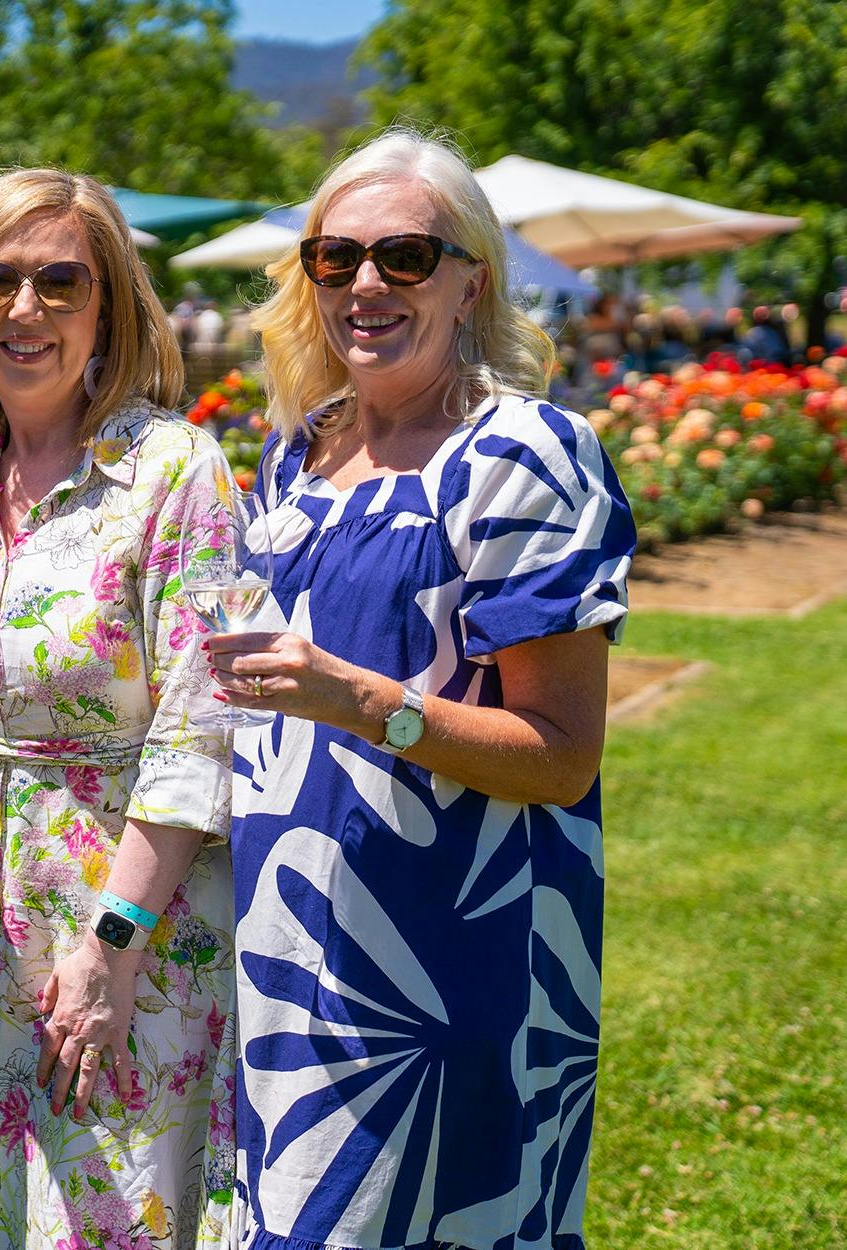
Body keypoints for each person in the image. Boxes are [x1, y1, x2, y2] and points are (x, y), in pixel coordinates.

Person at [211, 127, 636, 1249]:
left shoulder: (523, 453)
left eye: (405, 255)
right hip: (290, 935)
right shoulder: (296, 454)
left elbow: (559, 753)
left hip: (448, 964)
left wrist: (363, 700)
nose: (365, 282)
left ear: (469, 280)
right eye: (334, 256)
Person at [0, 169, 238, 1247]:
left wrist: (113, 947)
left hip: (134, 921)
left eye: (59, 281)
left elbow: (198, 726)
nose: (24, 309)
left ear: (108, 306)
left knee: (112, 1208)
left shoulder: (173, 470)